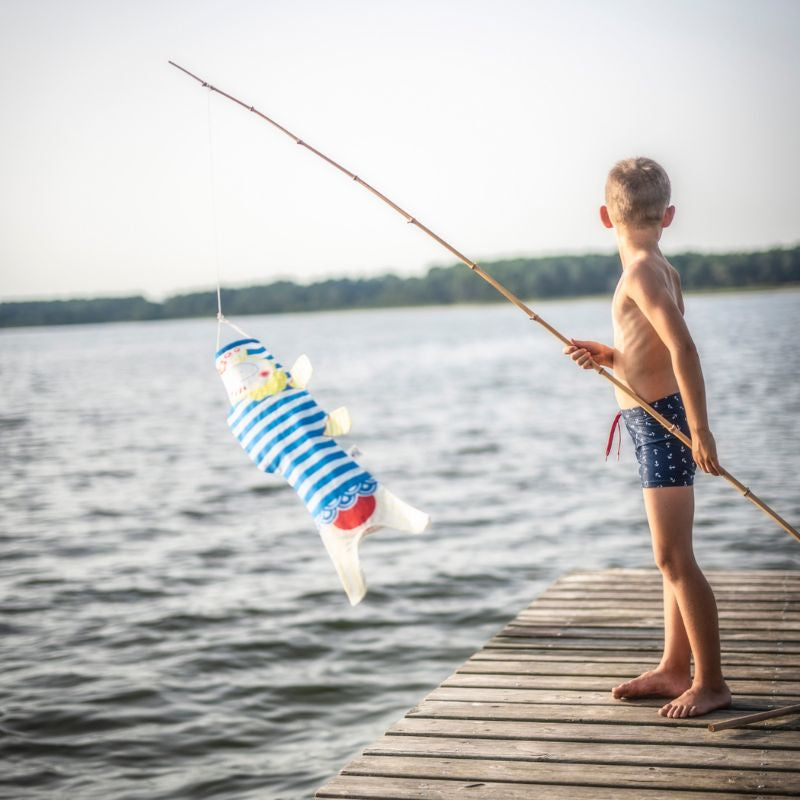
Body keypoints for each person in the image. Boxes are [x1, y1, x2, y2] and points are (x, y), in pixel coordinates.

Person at [564, 157, 731, 718]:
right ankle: (671, 667)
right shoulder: (655, 264)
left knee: (673, 555)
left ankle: (711, 682)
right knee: (671, 560)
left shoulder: (638, 272)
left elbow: (683, 349)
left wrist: (700, 430)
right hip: (650, 418)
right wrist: (612, 357)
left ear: (604, 217)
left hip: (664, 424)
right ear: (669, 215)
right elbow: (654, 350)